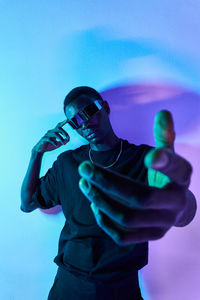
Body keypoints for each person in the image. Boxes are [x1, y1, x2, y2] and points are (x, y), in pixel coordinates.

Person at [20, 86, 197, 300]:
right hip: (69, 286)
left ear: (104, 107)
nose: (84, 123)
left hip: (121, 288)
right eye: (76, 121)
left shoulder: (144, 159)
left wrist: (181, 201)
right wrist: (36, 153)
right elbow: (28, 203)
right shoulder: (66, 163)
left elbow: (184, 212)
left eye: (88, 112)